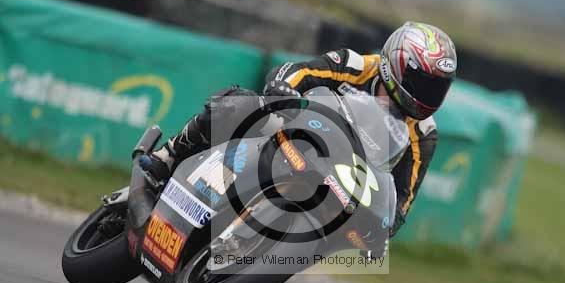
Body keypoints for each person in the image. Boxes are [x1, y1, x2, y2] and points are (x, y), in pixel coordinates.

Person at [148, 22, 457, 236]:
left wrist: (385, 224)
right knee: (239, 102)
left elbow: (402, 199)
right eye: (422, 83)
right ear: (396, 64)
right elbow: (298, 71)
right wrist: (283, 88)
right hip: (296, 132)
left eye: (437, 88)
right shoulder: (355, 65)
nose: (427, 95)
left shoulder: (424, 133)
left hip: (340, 180)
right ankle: (169, 155)